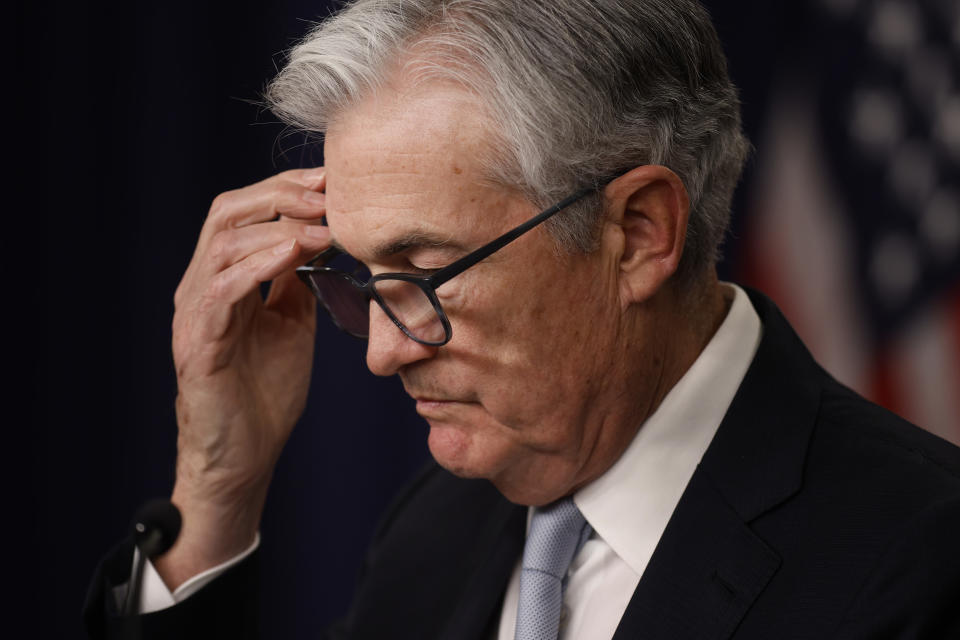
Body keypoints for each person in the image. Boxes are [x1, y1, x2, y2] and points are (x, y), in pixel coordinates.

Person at [84, 0, 960, 638]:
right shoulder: (433, 534)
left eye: (427, 273)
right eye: (363, 277)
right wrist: (214, 492)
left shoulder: (920, 559)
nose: (382, 354)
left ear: (639, 234)